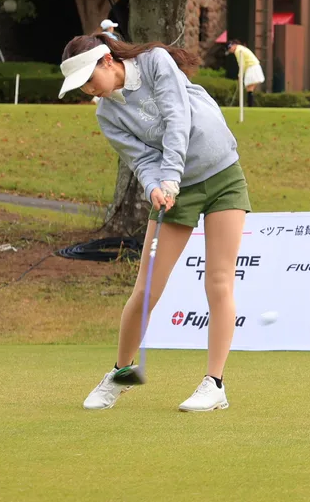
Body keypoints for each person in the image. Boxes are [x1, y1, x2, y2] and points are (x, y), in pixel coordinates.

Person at [60, 34, 250, 413]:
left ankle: (214, 384)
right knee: (146, 289)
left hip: (222, 174)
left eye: (89, 79)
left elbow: (178, 117)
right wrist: (154, 189)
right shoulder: (106, 114)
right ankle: (122, 374)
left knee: (218, 281)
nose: (88, 90)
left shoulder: (155, 62)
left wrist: (170, 177)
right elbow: (141, 160)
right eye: (81, 86)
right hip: (174, 190)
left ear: (107, 60)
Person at [226, 38, 264, 106]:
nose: (230, 50)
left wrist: (240, 75)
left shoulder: (238, 51)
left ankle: (250, 104)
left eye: (230, 48)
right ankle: (250, 103)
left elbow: (241, 64)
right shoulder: (240, 48)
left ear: (233, 45)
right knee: (249, 87)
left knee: (249, 86)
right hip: (252, 67)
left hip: (252, 67)